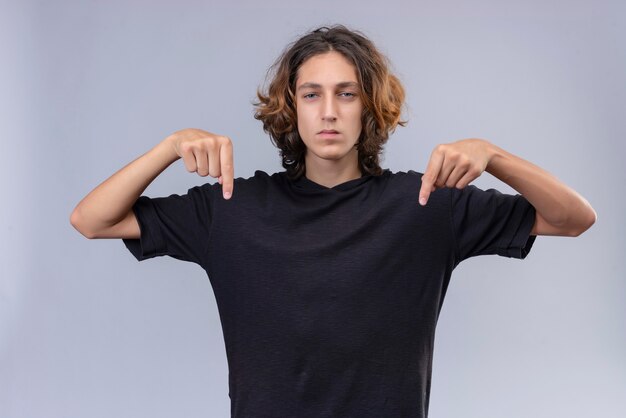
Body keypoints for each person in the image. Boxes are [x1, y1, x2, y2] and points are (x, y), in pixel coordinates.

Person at [70, 25, 596, 418]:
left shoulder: (427, 203)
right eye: (312, 94)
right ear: (290, 107)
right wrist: (168, 147)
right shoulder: (230, 207)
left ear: (368, 108)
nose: (328, 112)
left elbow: (573, 218)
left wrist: (494, 153)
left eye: (346, 94)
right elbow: (91, 220)